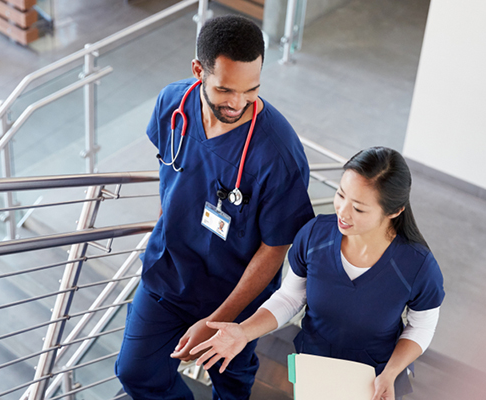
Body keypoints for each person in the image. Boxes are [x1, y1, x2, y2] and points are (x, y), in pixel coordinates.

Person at [114, 15, 315, 400]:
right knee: (134, 371)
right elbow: (168, 169)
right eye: (225, 90)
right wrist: (165, 224)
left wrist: (218, 320)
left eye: (251, 90)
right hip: (168, 273)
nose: (238, 103)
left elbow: (275, 248)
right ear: (198, 71)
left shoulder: (277, 152)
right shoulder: (173, 103)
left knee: (232, 380)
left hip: (235, 293)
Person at [189, 147, 445, 400]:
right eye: (340, 195)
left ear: (394, 211)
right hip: (314, 365)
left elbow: (421, 327)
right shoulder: (314, 235)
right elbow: (290, 298)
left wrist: (390, 373)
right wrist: (243, 332)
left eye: (359, 208)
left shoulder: (417, 267)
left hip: (374, 380)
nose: (342, 212)